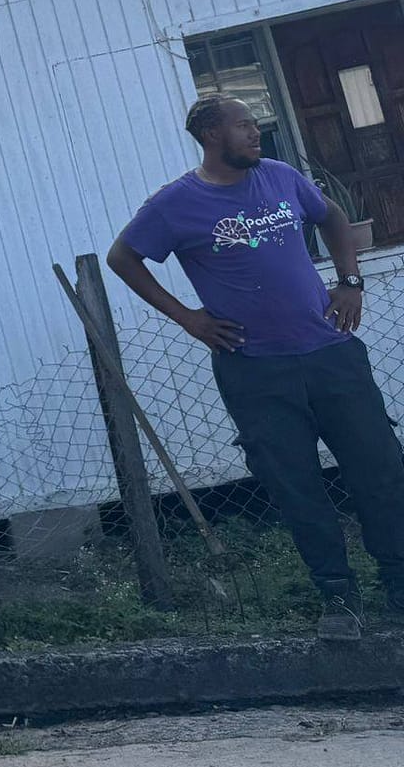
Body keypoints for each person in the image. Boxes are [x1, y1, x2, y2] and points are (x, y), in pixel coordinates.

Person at [107, 95, 404, 640]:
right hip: (255, 370)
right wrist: (188, 318)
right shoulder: (175, 204)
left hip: (330, 354)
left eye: (254, 124)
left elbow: (332, 217)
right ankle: (339, 598)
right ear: (212, 136)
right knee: (297, 487)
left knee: (381, 471)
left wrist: (350, 281)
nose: (256, 132)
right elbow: (122, 257)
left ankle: (400, 583)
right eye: (244, 125)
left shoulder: (280, 176)